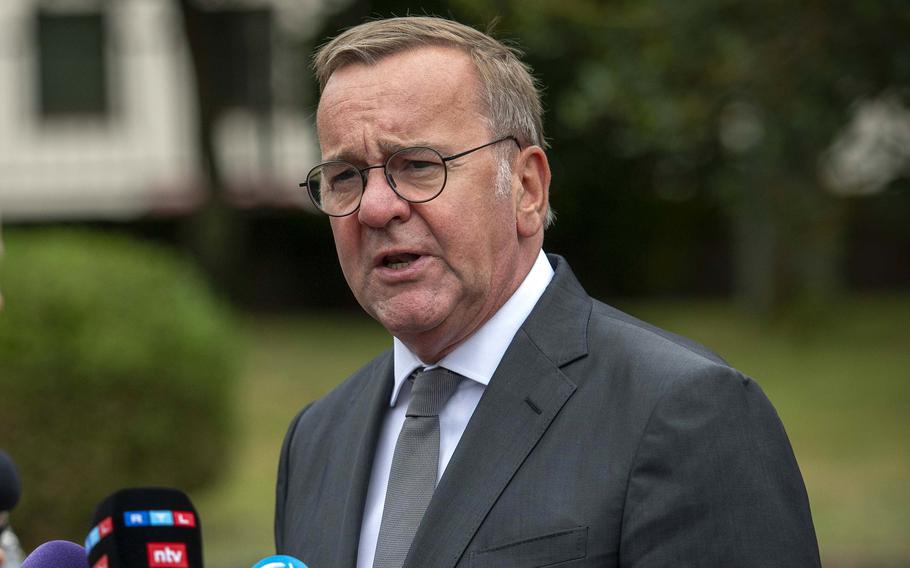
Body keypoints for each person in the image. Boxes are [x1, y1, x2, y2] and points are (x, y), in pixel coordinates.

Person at [275, 16, 820, 567]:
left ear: (527, 189)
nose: (373, 207)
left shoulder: (684, 413)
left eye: (417, 166)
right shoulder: (317, 438)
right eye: (344, 177)